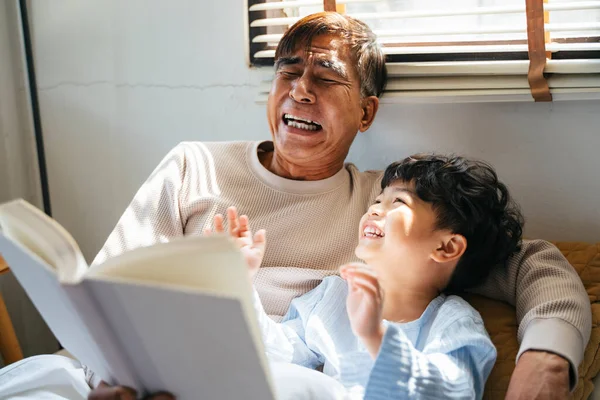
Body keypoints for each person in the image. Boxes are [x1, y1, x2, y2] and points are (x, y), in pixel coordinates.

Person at [0, 11, 590, 400]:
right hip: (135, 373)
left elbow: (532, 260)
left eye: (326, 77)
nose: (299, 87)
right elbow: (101, 290)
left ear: (366, 112)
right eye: (288, 70)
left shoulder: (382, 208)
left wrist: (549, 358)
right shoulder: (193, 166)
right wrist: (109, 372)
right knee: (36, 380)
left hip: (254, 381)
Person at [209, 153, 521, 399]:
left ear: (447, 246)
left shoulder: (452, 322)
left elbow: (450, 392)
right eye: (376, 201)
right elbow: (279, 353)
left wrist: (375, 337)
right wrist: (239, 282)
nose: (374, 210)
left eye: (397, 202)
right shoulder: (335, 295)